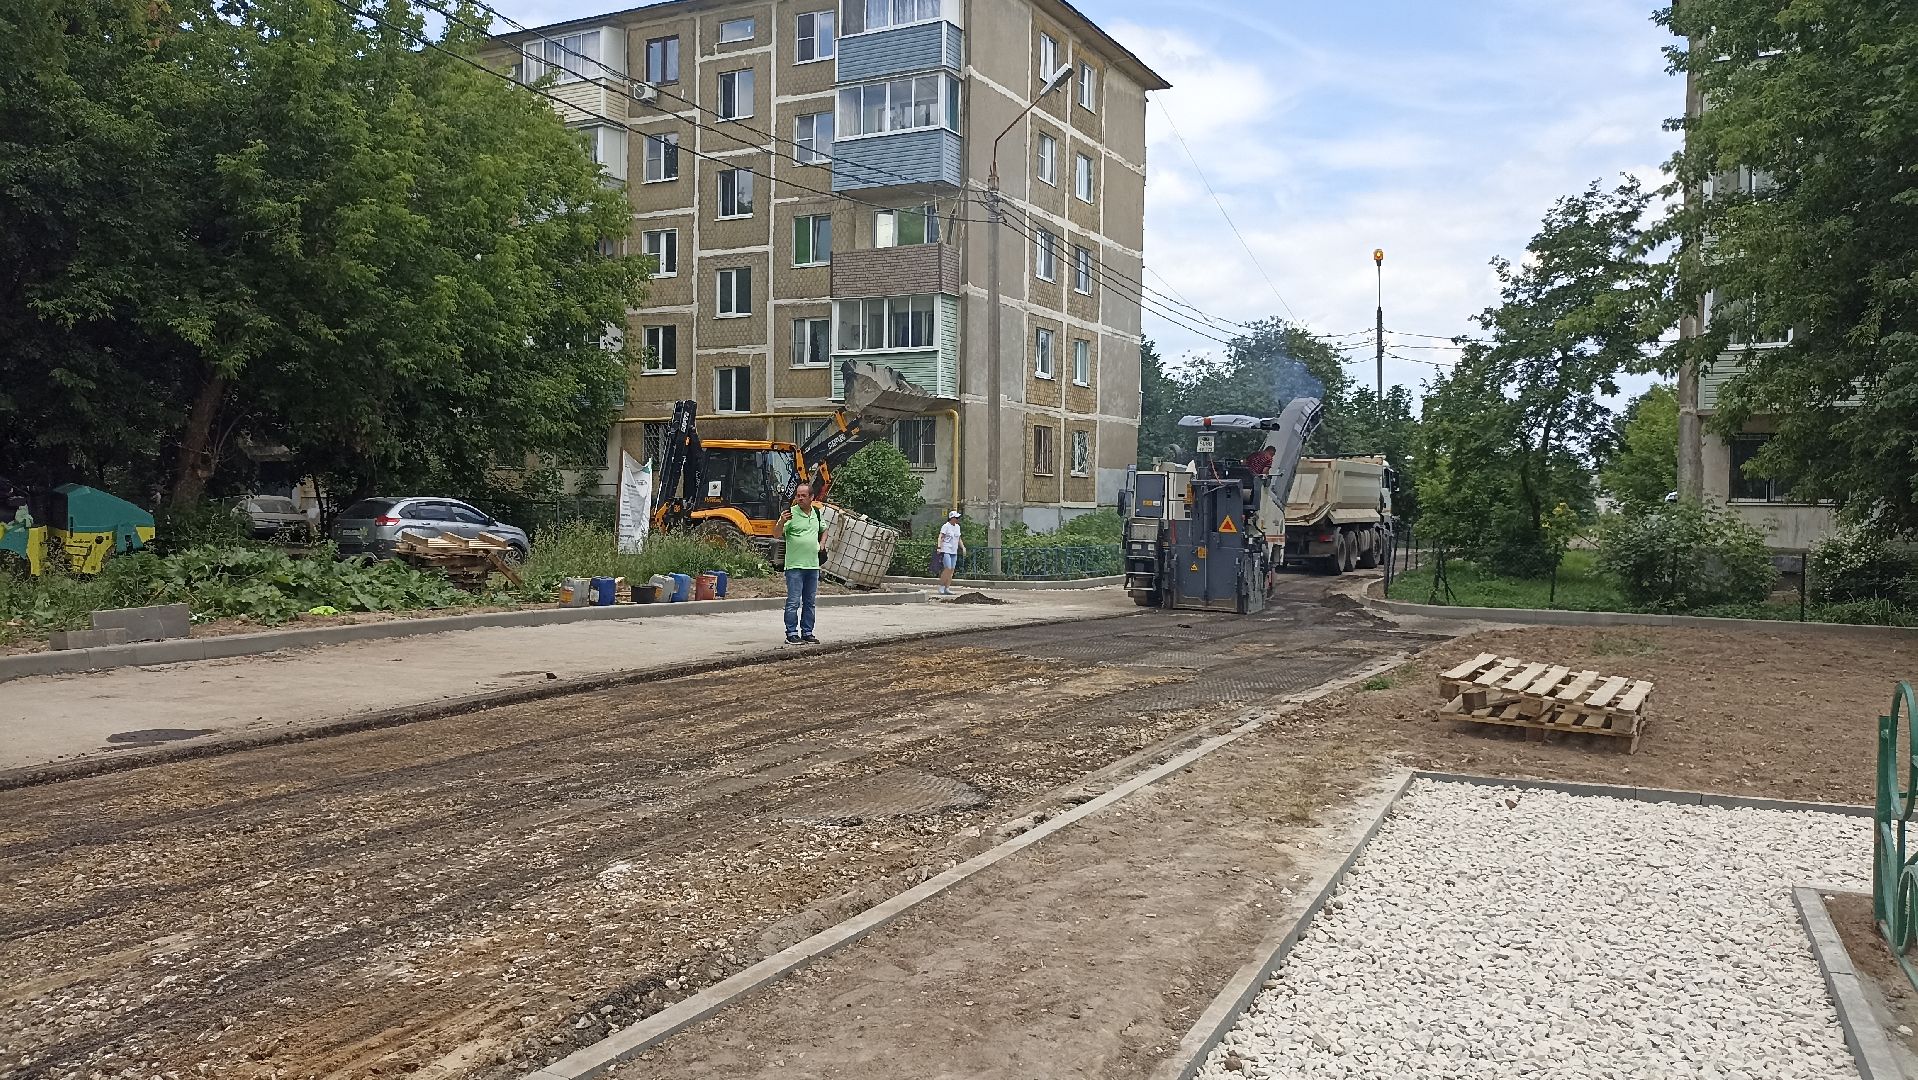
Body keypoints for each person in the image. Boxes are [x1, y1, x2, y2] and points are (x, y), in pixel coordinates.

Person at [777, 483, 829, 645]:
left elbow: (824, 529)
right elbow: (776, 534)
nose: (799, 498)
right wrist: (781, 522)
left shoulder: (817, 513)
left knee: (810, 602)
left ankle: (807, 632)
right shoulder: (790, 514)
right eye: (798, 495)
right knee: (793, 602)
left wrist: (822, 544)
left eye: (803, 495)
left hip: (812, 566)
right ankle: (791, 633)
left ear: (811, 497)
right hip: (795, 566)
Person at [936, 509, 967, 595]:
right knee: (947, 568)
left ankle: (947, 588)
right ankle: (941, 586)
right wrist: (939, 547)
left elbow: (959, 539)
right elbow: (941, 537)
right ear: (951, 518)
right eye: (956, 518)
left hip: (954, 551)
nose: (957, 519)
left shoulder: (957, 527)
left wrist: (963, 547)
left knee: (952, 570)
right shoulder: (946, 526)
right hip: (946, 549)